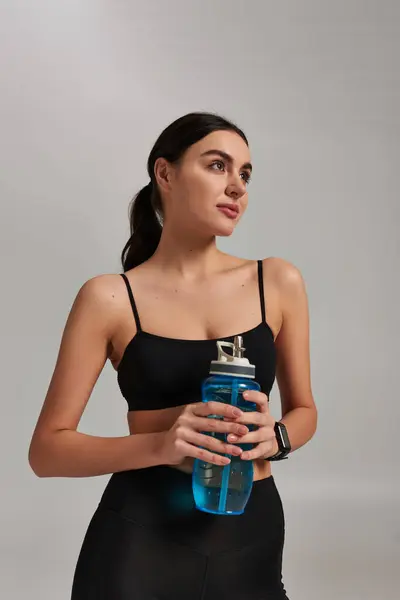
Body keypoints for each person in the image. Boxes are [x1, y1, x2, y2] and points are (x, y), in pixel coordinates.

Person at [28, 112, 318, 599]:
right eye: (217, 166)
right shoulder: (111, 298)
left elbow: (304, 410)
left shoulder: (278, 282)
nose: (237, 187)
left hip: (251, 536)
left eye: (245, 174)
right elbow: (47, 451)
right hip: (141, 536)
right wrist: (162, 444)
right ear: (165, 174)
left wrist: (279, 435)